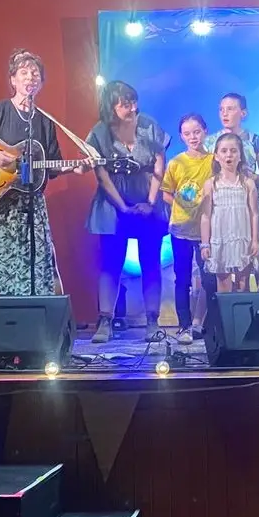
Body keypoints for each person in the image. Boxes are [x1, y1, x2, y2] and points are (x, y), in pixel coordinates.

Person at [0, 49, 80, 296]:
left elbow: (52, 167)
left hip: (32, 205)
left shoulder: (45, 121)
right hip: (0, 204)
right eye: (24, 72)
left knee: (36, 270)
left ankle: (31, 320)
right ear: (13, 80)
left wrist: (76, 167)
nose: (30, 77)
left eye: (35, 74)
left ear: (41, 83)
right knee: (1, 271)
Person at [86, 81, 170, 343]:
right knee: (110, 264)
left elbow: (159, 163)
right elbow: (101, 175)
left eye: (134, 102)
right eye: (125, 104)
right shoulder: (99, 132)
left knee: (150, 262)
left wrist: (150, 201)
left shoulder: (148, 125)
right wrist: (122, 207)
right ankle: (105, 321)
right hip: (113, 204)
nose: (132, 108)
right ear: (111, 106)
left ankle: (152, 321)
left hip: (147, 201)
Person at [161, 113, 217, 343]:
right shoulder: (176, 162)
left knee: (210, 278)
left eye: (196, 132)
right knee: (182, 277)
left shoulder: (214, 159)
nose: (193, 137)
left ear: (204, 131)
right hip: (181, 228)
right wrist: (182, 203)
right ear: (181, 136)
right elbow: (166, 192)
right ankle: (184, 325)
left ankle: (209, 324)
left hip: (207, 229)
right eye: (187, 133)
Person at [205, 92, 259, 287]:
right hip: (220, 207)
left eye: (230, 109)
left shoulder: (255, 140)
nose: (225, 113)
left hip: (246, 205)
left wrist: (250, 178)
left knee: (247, 265)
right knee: (220, 271)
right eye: (221, 109)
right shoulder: (210, 142)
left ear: (243, 113)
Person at [199, 132, 259, 293]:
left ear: (240, 155)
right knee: (223, 283)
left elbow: (254, 214)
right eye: (224, 151)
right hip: (221, 238)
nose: (229, 155)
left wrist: (255, 240)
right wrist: (205, 243)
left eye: (233, 151)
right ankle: (226, 317)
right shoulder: (211, 184)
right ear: (216, 156)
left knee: (243, 283)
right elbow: (205, 216)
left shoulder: (248, 183)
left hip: (242, 238)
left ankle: (244, 317)